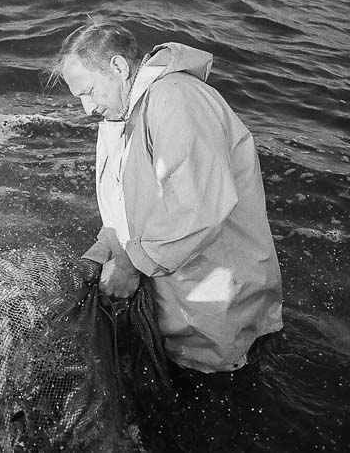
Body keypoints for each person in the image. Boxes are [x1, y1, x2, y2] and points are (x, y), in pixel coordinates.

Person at [51, 21, 282, 374]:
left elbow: (198, 207)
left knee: (223, 398)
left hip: (219, 309)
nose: (86, 108)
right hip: (176, 305)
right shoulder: (119, 116)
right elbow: (121, 209)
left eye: (90, 91)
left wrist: (129, 266)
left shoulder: (177, 99)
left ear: (118, 67)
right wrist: (99, 256)